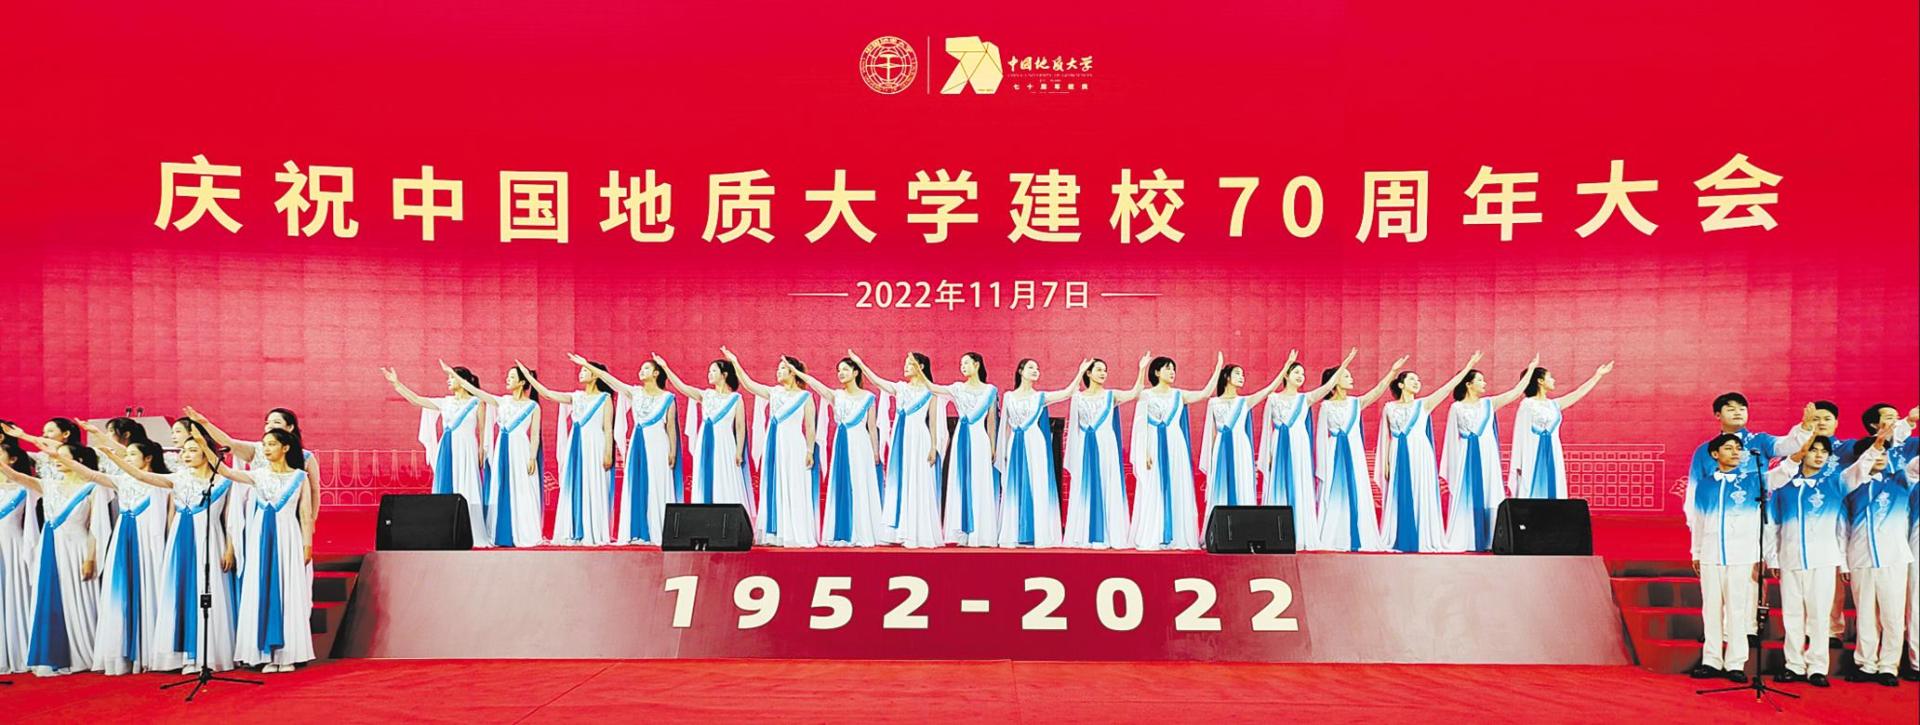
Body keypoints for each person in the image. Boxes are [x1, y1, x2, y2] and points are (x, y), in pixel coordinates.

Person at [1, 441, 106, 676]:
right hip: (51, 548)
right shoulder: (48, 485)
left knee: (82, 600)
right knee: (53, 599)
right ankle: (58, 653)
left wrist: (90, 558)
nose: (56, 460)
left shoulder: (93, 488)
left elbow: (96, 528)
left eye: (62, 456)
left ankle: (86, 653)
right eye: (55, 457)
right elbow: (16, 476)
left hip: (78, 549)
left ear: (79, 461)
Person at [218, 429, 316, 673]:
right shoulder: (258, 475)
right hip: (260, 538)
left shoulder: (299, 477)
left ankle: (286, 654)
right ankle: (264, 654)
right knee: (260, 587)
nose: (266, 449)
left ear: (285, 448)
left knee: (287, 590)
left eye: (272, 444)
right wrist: (202, 438)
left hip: (288, 538)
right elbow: (226, 472)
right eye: (265, 445)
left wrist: (307, 545)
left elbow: (305, 514)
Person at [1376, 352, 1482, 553]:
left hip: (1420, 453)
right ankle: (1398, 535)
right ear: (1401, 384)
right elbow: (1387, 438)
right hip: (1398, 454)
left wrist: (1468, 366)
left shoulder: (1423, 404)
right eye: (1412, 379)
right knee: (1399, 494)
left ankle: (1422, 536)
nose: (1417, 382)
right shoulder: (1389, 408)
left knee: (1420, 490)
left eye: (1418, 380)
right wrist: (1386, 463)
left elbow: (1447, 388)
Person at [1764, 435, 1847, 687]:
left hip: (1823, 560)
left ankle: (1817, 667)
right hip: (1790, 559)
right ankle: (1794, 665)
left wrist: (1843, 562)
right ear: (1802, 453)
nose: (1819, 455)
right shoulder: (1783, 486)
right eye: (1814, 450)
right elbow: (1772, 525)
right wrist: (1773, 558)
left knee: (1819, 615)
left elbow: (1842, 528)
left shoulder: (1835, 483)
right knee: (1792, 615)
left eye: (1824, 451)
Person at [1683, 433, 1765, 682]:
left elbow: (1783, 474)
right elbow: (1699, 520)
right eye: (1728, 448)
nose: (1735, 452)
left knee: (1737, 609)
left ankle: (1736, 663)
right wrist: (1696, 552)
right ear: (1715, 454)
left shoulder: (1753, 481)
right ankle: (1711, 660)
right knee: (1711, 609)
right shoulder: (1705, 485)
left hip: (1741, 556)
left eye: (1738, 448)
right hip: (1711, 554)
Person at [1439, 355, 1540, 552]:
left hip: (1487, 456)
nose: (1484, 383)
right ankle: (1465, 538)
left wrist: (1530, 370)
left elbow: (1515, 392)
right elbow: (1451, 439)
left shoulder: (1488, 404)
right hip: (1465, 457)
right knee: (1466, 494)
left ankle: (1490, 539)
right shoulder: (1456, 408)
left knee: (1488, 492)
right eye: (1480, 380)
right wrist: (1453, 466)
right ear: (1468, 384)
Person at [577, 356, 680, 547]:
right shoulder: (635, 393)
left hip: (659, 445)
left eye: (646, 368)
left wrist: (673, 451)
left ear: (656, 373)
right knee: (636, 483)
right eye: (641, 368)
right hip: (638, 444)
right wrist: (586, 364)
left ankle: (657, 530)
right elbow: (609, 380)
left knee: (657, 485)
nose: (641, 371)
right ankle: (636, 531)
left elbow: (671, 428)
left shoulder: (667, 398)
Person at [1258, 348, 1354, 551]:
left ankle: (1299, 534)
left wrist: (1344, 365)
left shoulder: (1306, 399)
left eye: (1303, 373)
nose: (1301, 376)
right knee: (1278, 486)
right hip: (1278, 444)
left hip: (1299, 445)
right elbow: (1267, 428)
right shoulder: (1273, 399)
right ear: (1286, 376)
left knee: (1299, 484)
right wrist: (1268, 454)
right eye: (1296, 372)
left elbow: (1327, 387)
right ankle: (1275, 534)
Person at [849, 350, 946, 548]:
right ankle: (900, 531)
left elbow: (933, 422)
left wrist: (933, 446)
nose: (905, 367)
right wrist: (860, 362)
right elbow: (877, 381)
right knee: (901, 480)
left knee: (918, 481)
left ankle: (918, 532)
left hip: (919, 439)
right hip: (901, 439)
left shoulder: (931, 391)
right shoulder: (900, 387)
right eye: (905, 363)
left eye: (910, 364)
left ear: (921, 367)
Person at [383, 365, 489, 546]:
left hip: (467, 448)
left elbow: (483, 430)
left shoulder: (477, 402)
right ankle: (446, 530)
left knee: (468, 484)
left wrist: (482, 450)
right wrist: (397, 384)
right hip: (447, 448)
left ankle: (470, 531)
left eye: (452, 377)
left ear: (463, 381)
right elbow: (416, 400)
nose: (449, 381)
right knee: (447, 485)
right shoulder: (445, 402)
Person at [728, 348, 822, 549]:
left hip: (794, 446)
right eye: (778, 368)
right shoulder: (774, 392)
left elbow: (810, 426)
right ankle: (776, 533)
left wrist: (810, 451)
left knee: (794, 485)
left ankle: (794, 532)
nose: (778, 372)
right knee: (774, 484)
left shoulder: (805, 397)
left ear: (793, 372)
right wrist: (735, 362)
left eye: (782, 368)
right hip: (774, 445)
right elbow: (748, 384)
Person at [1129, 353, 1224, 551]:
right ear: (1157, 372)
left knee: (1176, 486)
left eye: (1173, 369)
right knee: (1153, 488)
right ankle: (1154, 534)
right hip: (1153, 444)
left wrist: (1218, 369)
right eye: (1167, 368)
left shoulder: (1179, 395)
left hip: (1175, 445)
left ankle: (1177, 536)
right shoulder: (1146, 395)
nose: (1172, 372)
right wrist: (1144, 452)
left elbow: (1205, 393)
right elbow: (1140, 426)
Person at [1839, 427, 1912, 686]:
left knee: (1892, 615)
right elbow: (1842, 528)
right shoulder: (1849, 485)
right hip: (1861, 557)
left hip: (1894, 558)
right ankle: (1866, 664)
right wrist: (1844, 562)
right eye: (1875, 453)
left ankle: (1889, 666)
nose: (1880, 457)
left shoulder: (1902, 480)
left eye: (1883, 453)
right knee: (1866, 614)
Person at [1315, 355, 1408, 552]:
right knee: (1333, 493)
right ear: (1335, 382)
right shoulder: (1325, 406)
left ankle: (1359, 535)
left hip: (1354, 452)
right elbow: (1321, 437)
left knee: (1357, 489)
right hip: (1333, 453)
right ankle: (1334, 536)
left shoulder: (1355, 403)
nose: (1351, 379)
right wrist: (1322, 466)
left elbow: (1377, 391)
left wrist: (1392, 372)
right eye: (1346, 376)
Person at [449, 364, 546, 548]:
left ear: (522, 382)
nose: (507, 379)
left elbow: (535, 435)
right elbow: (478, 393)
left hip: (521, 450)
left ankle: (523, 531)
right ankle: (501, 532)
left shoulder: (533, 406)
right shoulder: (503, 401)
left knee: (522, 488)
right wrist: (456, 377)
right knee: (501, 486)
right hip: (503, 449)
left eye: (512, 377)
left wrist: (532, 457)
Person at [522, 360, 618, 546]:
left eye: (585, 370)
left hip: (595, 445)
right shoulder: (576, 397)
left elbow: (608, 429)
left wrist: (608, 452)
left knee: (593, 485)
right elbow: (548, 394)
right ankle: (575, 530)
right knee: (576, 484)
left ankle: (593, 531)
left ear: (595, 375)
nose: (581, 373)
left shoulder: (605, 398)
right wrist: (528, 376)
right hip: (576, 445)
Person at [994, 358, 1087, 548]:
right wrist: (1004, 451)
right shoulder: (1009, 397)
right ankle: (1015, 533)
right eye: (1031, 367)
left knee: (1037, 483)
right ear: (1020, 371)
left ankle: (1036, 533)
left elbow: (1067, 392)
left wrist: (1080, 372)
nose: (1035, 370)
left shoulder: (1040, 397)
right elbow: (1006, 425)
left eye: (1037, 368)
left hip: (1034, 442)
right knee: (1015, 485)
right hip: (1015, 443)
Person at [794, 358, 883, 547]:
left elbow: (872, 428)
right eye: (839, 370)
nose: (841, 373)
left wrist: (875, 452)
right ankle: (843, 532)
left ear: (855, 372)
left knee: (859, 484)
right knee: (843, 484)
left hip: (860, 445)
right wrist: (797, 372)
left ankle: (861, 532)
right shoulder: (837, 395)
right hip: (842, 444)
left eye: (845, 369)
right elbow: (815, 384)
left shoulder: (868, 398)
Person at [1062, 357, 1146, 550]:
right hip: (1084, 446)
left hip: (1106, 445)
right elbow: (1074, 427)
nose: (1103, 373)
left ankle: (1108, 534)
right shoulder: (1078, 398)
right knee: (1085, 487)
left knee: (1107, 484)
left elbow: (1134, 393)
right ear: (1089, 373)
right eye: (1098, 370)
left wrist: (1141, 369)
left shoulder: (1111, 395)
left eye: (1105, 370)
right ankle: (1084, 535)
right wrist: (1079, 372)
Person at [656, 354, 752, 514]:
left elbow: (740, 427)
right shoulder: (705, 395)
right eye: (709, 371)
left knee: (725, 478)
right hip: (705, 443)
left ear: (724, 374)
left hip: (725, 445)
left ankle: (728, 518)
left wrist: (739, 451)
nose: (709, 374)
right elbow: (682, 387)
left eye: (713, 371)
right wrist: (665, 367)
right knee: (706, 477)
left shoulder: (736, 399)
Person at [1509, 363, 1613, 499]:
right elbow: (1520, 434)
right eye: (1550, 377)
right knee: (1531, 489)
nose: (1553, 380)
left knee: (1554, 487)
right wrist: (1519, 462)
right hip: (1532, 453)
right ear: (1540, 381)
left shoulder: (1554, 405)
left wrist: (1597, 376)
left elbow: (1578, 393)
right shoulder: (1527, 405)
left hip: (1553, 452)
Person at [1199, 358, 1287, 516]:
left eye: (1243, 375)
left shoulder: (1245, 401)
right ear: (1227, 377)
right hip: (1220, 447)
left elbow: (1268, 390)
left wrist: (1285, 367)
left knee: (1242, 480)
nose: (1242, 377)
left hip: (1240, 446)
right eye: (1237, 374)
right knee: (1221, 484)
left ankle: (1242, 522)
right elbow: (1212, 434)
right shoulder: (1213, 403)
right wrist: (1212, 459)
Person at [937, 353, 1001, 547]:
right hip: (961, 437)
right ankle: (961, 533)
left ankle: (980, 533)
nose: (962, 366)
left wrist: (993, 446)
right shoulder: (957, 388)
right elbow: (934, 388)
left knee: (979, 481)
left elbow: (991, 421)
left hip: (980, 439)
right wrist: (921, 374)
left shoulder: (990, 391)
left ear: (977, 364)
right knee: (961, 479)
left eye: (966, 363)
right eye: (961, 363)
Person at [0, 437, 34, 674]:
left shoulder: (24, 487)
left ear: (12, 459)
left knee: (12, 595)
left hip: (11, 545)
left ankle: (18, 649)